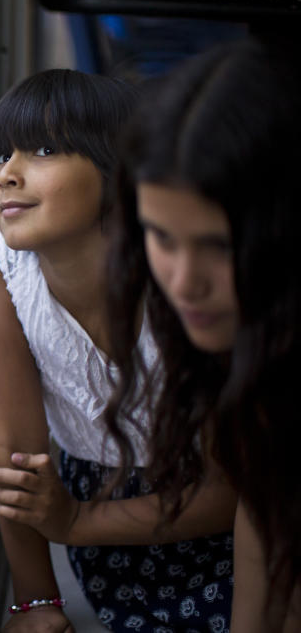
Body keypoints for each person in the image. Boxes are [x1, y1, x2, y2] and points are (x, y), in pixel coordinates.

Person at [0, 69, 236, 632]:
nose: (7, 176)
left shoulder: (182, 277)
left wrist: (76, 521)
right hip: (105, 539)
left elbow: (233, 493)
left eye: (43, 149)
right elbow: (13, 444)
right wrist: (35, 602)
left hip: (231, 528)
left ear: (120, 171)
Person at [105, 38, 301, 632]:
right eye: (161, 238)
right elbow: (263, 507)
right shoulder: (249, 336)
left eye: (219, 246)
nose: (184, 284)